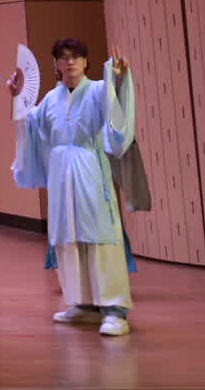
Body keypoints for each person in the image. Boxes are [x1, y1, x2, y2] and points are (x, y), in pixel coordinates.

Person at [7, 38, 136, 337]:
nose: (70, 62)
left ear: (86, 62)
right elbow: (30, 127)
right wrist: (18, 98)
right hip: (60, 174)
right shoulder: (51, 99)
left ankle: (114, 309)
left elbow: (117, 117)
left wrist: (118, 80)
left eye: (76, 56)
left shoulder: (99, 90)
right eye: (64, 57)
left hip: (90, 168)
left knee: (100, 236)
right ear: (55, 64)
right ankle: (82, 303)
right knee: (67, 239)